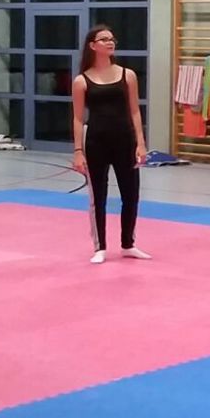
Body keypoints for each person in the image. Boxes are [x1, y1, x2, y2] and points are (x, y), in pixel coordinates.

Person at [71, 24, 150, 264]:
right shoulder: (81, 80)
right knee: (99, 197)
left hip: (125, 140)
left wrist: (141, 143)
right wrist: (78, 151)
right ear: (93, 46)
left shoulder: (128, 75)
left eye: (112, 39)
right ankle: (100, 247)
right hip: (96, 142)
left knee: (131, 194)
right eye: (104, 39)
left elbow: (135, 111)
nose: (110, 42)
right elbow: (77, 118)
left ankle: (128, 244)